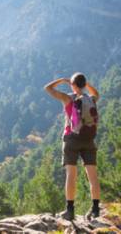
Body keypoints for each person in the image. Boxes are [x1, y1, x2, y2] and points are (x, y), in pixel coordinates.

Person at [44, 72, 101, 221]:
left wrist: (63, 80)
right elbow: (97, 93)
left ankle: (70, 210)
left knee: (71, 175)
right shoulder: (91, 99)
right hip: (88, 139)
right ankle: (95, 209)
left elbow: (48, 88)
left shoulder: (68, 98)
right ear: (84, 84)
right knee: (92, 176)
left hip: (71, 140)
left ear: (73, 84)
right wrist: (86, 84)